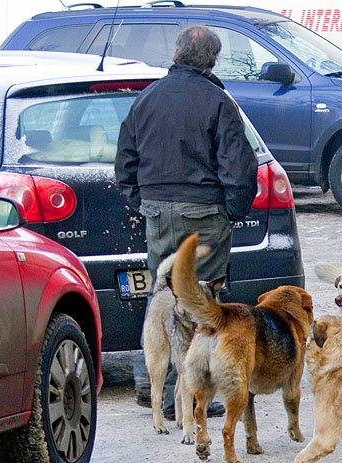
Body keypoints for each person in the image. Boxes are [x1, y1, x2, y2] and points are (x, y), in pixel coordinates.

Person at [115, 25, 258, 418]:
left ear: (176, 54)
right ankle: (195, 394)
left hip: (158, 210)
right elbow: (239, 165)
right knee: (202, 304)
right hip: (205, 213)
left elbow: (125, 161)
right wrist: (233, 210)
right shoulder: (217, 101)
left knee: (162, 295)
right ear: (211, 60)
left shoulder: (146, 100)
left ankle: (153, 386)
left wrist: (142, 201)